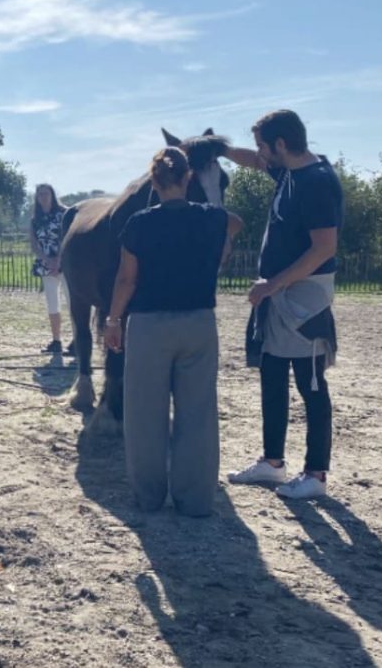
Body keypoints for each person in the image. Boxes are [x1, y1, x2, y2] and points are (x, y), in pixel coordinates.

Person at [103, 147, 243, 517]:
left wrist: (113, 320)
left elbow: (126, 279)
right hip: (198, 322)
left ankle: (149, 496)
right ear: (188, 178)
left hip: (149, 325)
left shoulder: (139, 224)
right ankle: (195, 500)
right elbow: (237, 222)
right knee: (197, 414)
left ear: (154, 181)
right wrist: (222, 245)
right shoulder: (213, 219)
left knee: (145, 415)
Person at [224, 109, 343, 499]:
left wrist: (272, 285)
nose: (259, 155)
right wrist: (217, 149)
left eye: (263, 146)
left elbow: (323, 248)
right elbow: (252, 162)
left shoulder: (317, 182)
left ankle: (315, 475)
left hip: (303, 296)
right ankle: (273, 463)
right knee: (272, 376)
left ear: (281, 144)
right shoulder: (289, 172)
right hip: (277, 293)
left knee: (311, 385)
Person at [29, 183, 69, 353]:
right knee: (52, 303)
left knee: (72, 301)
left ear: (52, 195)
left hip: (66, 263)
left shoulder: (64, 213)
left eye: (46, 193)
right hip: (46, 265)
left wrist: (58, 260)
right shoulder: (35, 220)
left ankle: (78, 340)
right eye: (40, 194)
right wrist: (47, 260)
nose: (43, 197)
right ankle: (56, 340)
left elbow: (68, 237)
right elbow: (34, 244)